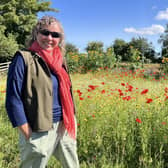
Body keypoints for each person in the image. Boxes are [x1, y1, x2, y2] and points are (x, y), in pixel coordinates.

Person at [5, 15, 79, 168]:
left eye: (55, 35)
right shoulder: (23, 58)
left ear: (60, 38)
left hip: (64, 125)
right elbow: (13, 99)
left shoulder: (61, 61)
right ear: (36, 33)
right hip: (37, 127)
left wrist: (71, 117)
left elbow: (67, 92)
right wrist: (27, 132)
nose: (49, 38)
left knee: (72, 165)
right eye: (45, 32)